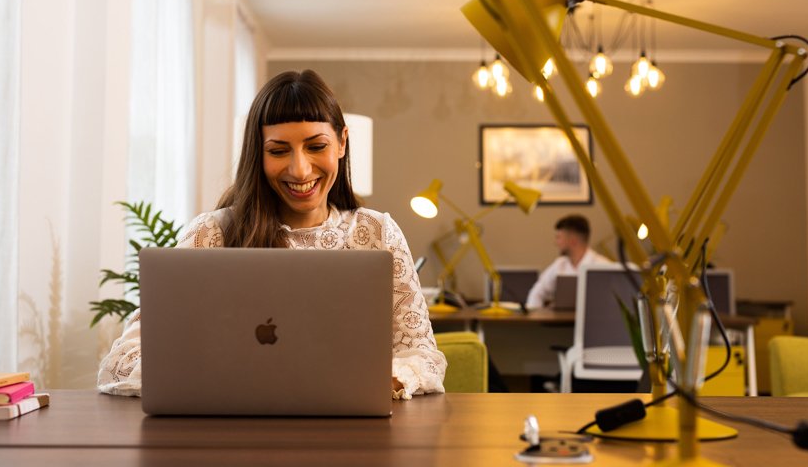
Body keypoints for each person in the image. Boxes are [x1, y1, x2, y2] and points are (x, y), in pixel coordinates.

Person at [97, 70, 447, 400]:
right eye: (279, 151)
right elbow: (122, 361)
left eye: (316, 146)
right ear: (258, 154)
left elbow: (422, 355)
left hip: (350, 429)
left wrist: (382, 380)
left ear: (341, 142)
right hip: (233, 425)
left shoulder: (377, 233)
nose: (299, 169)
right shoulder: (211, 234)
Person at [525, 214, 612, 309]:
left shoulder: (603, 266)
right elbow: (537, 293)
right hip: (561, 322)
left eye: (559, 237)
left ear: (573, 241)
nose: (556, 243)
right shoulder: (559, 264)